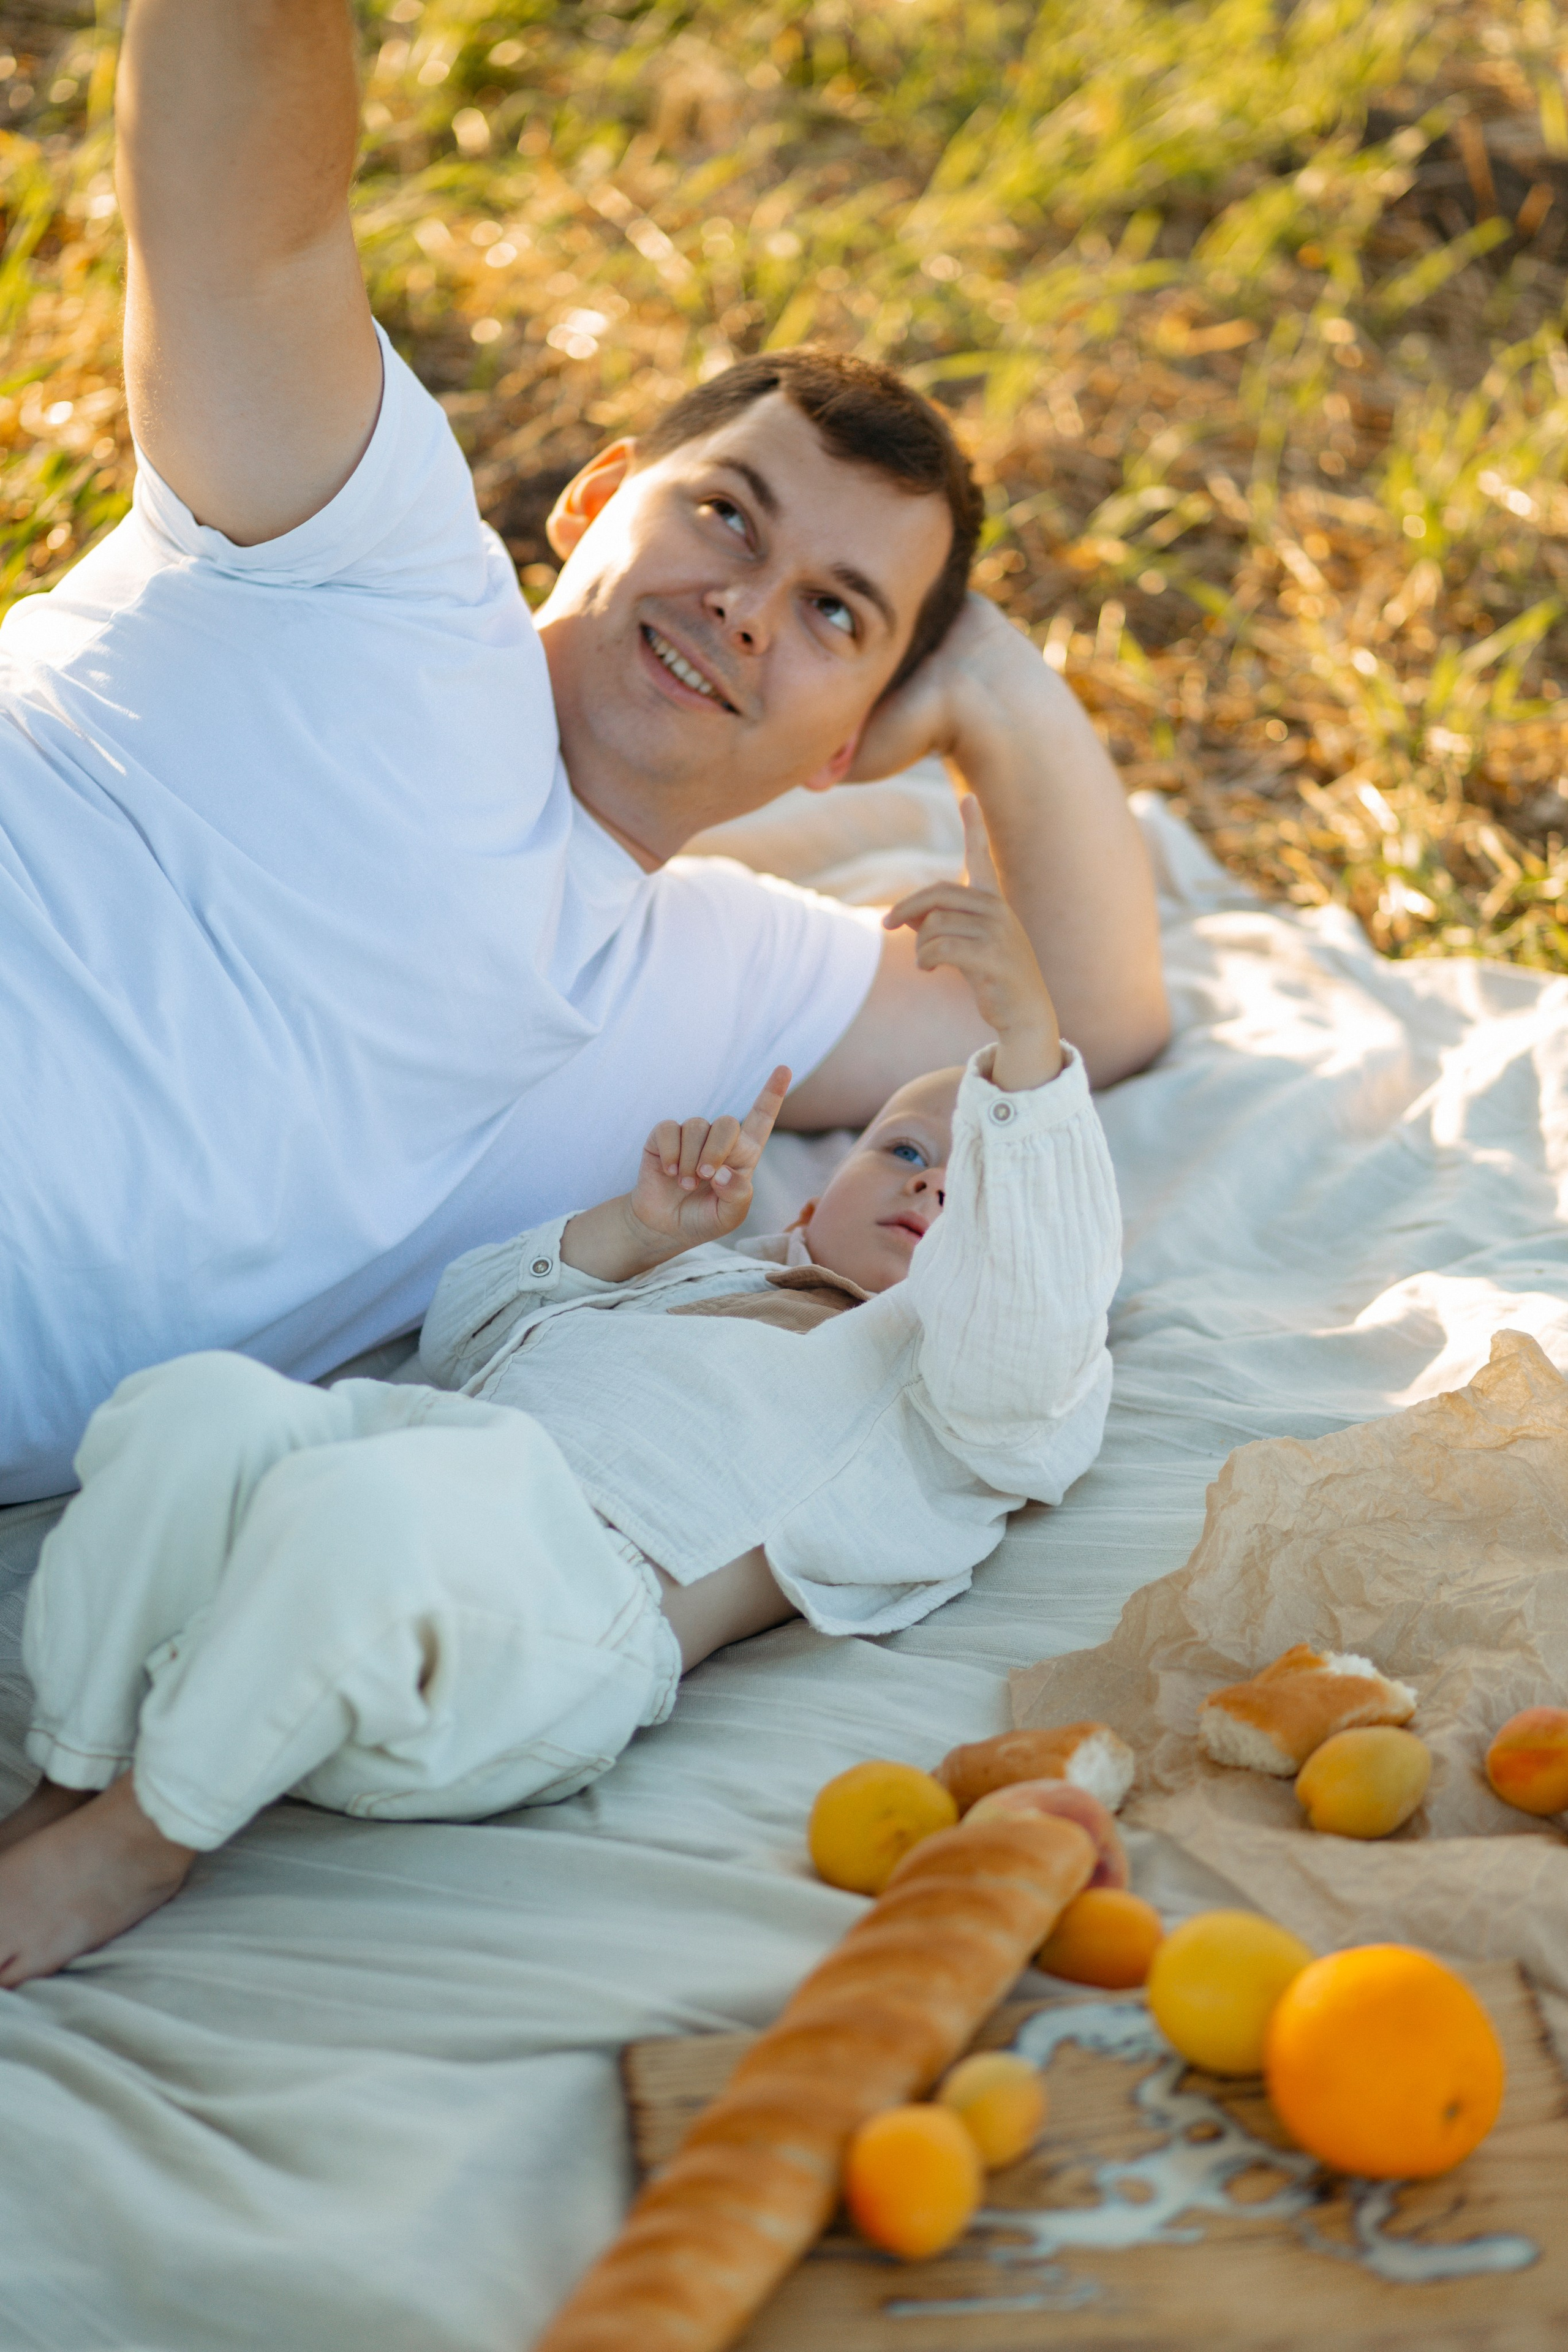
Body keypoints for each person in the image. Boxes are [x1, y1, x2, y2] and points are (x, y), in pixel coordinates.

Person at [0, 0, 1165, 1506]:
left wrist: (997, 688)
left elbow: (1081, 1014)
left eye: (833, 611)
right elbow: (241, 213)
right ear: (592, 498)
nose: (744, 610)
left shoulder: (713, 983)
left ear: (848, 748)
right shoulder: (365, 564)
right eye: (728, 512)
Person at [0, 802, 1120, 1986]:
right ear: (809, 1198)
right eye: (905, 1150)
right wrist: (633, 1233)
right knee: (195, 1409)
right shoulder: (705, 1273)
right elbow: (462, 1339)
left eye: (979, 1189)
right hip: (389, 1482)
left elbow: (1030, 1319)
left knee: (370, 1518)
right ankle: (74, 1772)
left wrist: (1027, 1048)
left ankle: (139, 1837)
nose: (935, 1188)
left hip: (556, 1614)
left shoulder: (949, 1397)